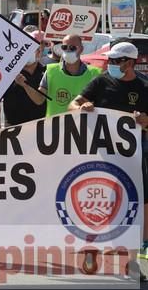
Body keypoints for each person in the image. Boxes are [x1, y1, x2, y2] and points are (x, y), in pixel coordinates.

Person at [68, 42, 148, 269]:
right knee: (96, 202)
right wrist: (80, 108)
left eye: (117, 61)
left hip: (132, 157)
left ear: (131, 62)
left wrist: (145, 121)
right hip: (101, 155)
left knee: (132, 204)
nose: (111, 64)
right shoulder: (101, 81)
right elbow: (73, 104)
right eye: (110, 60)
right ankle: (91, 250)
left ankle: (131, 261)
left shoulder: (144, 86)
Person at [26, 34, 101, 116]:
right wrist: (25, 85)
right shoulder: (51, 71)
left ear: (81, 49)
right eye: (64, 47)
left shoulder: (95, 73)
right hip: (55, 126)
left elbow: (100, 102)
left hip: (83, 125)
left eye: (72, 48)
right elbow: (39, 100)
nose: (68, 50)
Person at [0, 30, 47, 128]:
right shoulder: (8, 72)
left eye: (33, 50)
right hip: (13, 128)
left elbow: (41, 100)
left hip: (40, 128)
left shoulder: (45, 71)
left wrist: (25, 85)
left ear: (39, 52)